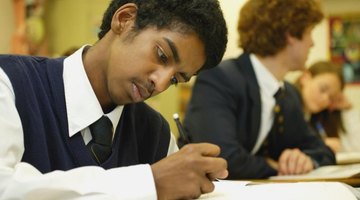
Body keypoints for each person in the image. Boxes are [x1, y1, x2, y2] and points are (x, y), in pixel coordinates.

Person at [0, 0, 228, 199]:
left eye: (176, 79)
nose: (160, 84)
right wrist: (149, 183)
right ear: (125, 19)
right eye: (161, 55)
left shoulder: (156, 134)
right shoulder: (10, 83)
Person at [181, 0, 335, 179]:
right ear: (291, 34)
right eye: (309, 32)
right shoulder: (219, 78)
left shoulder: (289, 94)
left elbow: (324, 151)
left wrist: (307, 160)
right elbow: (222, 157)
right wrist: (276, 166)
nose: (312, 43)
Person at [295, 61, 360, 152]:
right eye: (322, 89)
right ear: (305, 78)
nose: (325, 99)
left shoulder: (316, 118)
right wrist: (320, 143)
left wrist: (348, 108)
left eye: (331, 98)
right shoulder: (286, 105)